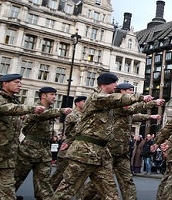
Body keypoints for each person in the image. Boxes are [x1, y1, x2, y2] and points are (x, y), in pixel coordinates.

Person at [53, 72, 150, 200]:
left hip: (101, 154)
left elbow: (127, 109)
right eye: (113, 83)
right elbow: (117, 99)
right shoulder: (97, 98)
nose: (116, 86)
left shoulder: (108, 103)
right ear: (104, 84)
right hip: (85, 151)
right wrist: (140, 97)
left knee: (110, 193)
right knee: (66, 190)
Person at [79, 82, 163, 200]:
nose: (131, 92)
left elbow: (133, 116)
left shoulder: (126, 108)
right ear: (122, 92)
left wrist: (150, 117)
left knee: (127, 180)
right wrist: (152, 103)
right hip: (111, 150)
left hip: (122, 150)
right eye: (129, 90)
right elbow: (131, 110)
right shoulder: (117, 104)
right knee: (100, 183)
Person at [14, 86, 72, 200]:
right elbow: (41, 116)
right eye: (52, 94)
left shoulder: (50, 110)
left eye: (55, 95)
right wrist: (61, 111)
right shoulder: (35, 108)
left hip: (44, 149)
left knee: (44, 181)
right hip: (29, 148)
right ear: (43, 96)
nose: (54, 97)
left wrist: (54, 135)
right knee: (16, 177)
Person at [50, 95, 87, 190]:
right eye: (83, 101)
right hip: (68, 147)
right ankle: (48, 192)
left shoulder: (85, 115)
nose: (85, 103)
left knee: (78, 174)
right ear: (77, 103)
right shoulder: (72, 115)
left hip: (79, 147)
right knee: (59, 174)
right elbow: (69, 132)